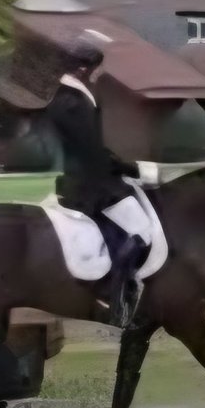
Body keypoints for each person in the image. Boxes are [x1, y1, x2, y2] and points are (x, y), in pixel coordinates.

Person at [46, 38, 152, 328]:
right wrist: (129, 168)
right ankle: (116, 297)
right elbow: (91, 153)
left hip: (84, 178)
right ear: (82, 69)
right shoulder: (73, 103)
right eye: (93, 71)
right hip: (90, 185)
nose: (94, 76)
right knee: (141, 229)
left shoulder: (67, 97)